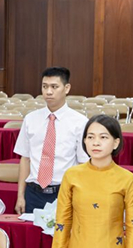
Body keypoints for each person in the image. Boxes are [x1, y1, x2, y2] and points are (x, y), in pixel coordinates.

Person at [51, 115, 133, 248]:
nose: (96, 143)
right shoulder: (72, 175)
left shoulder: (127, 179)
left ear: (116, 143)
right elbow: (62, 220)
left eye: (103, 137)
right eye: (90, 137)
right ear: (84, 141)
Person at [14, 67, 88, 214]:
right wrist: (20, 196)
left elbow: (83, 164)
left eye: (54, 87)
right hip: (33, 192)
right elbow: (25, 159)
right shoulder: (30, 119)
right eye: (44, 86)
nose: (48, 92)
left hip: (64, 192)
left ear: (66, 88)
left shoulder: (80, 122)